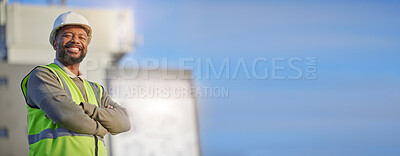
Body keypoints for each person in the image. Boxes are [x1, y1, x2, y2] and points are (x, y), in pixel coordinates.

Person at [20, 11, 131, 156]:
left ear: (86, 45)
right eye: (67, 35)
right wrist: (103, 128)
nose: (75, 41)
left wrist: (86, 109)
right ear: (55, 43)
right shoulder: (43, 76)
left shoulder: (96, 89)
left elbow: (124, 122)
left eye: (82, 37)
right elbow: (65, 115)